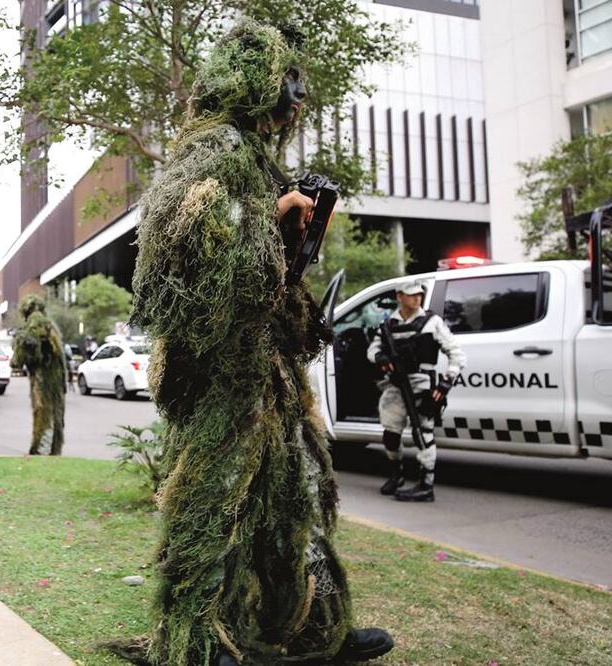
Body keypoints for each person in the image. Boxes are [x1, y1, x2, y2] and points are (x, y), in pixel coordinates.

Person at [123, 20, 393, 666]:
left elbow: (265, 273)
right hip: (222, 377)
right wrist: (271, 220)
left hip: (268, 371)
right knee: (210, 511)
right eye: (289, 85)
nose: (296, 102)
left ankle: (312, 625)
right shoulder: (211, 153)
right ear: (255, 82)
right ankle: (194, 643)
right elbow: (165, 283)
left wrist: (294, 236)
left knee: (295, 499)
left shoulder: (254, 157)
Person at [366, 280, 465, 502]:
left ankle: (426, 485)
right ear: (399, 296)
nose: (416, 298)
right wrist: (381, 357)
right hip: (396, 384)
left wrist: (445, 384)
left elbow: (457, 354)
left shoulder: (432, 322)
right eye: (411, 295)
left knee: (423, 434)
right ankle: (396, 474)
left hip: (422, 384)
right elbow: (372, 350)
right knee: (390, 433)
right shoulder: (389, 324)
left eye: (419, 294)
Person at [12, 294, 67, 455]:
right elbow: (61, 356)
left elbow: (19, 359)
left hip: (42, 377)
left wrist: (17, 357)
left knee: (43, 414)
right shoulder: (51, 325)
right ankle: (53, 450)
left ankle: (41, 452)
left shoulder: (33, 325)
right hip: (56, 378)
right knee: (56, 415)